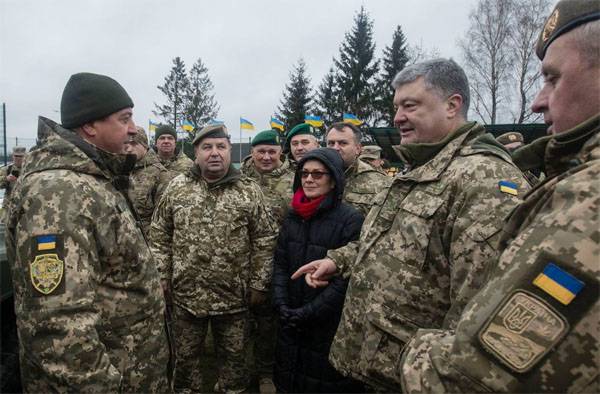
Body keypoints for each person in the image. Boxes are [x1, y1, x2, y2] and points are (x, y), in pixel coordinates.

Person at [292, 58, 530, 391]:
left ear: (452, 105)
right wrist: (338, 260)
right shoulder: (417, 170)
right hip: (375, 364)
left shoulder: (483, 179)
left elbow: (479, 308)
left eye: (410, 105)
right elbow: (384, 242)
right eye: (396, 107)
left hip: (417, 377)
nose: (398, 117)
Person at [399, 2, 600, 392]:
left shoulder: (579, 199)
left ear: (452, 105)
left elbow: (476, 374)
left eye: (553, 79)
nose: (538, 101)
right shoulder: (417, 171)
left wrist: (407, 347)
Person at [5, 72, 169, 392]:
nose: (134, 129)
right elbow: (58, 325)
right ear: (90, 126)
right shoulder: (59, 192)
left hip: (130, 367)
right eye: (124, 119)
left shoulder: (91, 179)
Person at [150, 124, 278, 393]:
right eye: (207, 147)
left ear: (230, 150)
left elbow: (265, 239)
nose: (214, 153)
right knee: (185, 362)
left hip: (234, 298)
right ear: (196, 152)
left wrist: (258, 284)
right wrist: (162, 277)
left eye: (221, 146)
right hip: (186, 296)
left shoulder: (248, 190)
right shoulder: (177, 188)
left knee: (235, 362)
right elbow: (160, 235)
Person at [272, 148, 364, 393]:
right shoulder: (292, 216)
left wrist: (310, 312)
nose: (309, 179)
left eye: (317, 174)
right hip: (290, 317)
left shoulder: (350, 220)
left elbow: (347, 279)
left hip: (326, 324)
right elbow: (280, 264)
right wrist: (281, 304)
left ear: (333, 179)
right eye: (304, 174)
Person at [240, 129, 293, 393]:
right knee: (239, 322)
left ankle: (264, 373)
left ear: (280, 152)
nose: (266, 156)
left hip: (276, 263)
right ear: (252, 152)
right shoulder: (238, 178)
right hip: (240, 263)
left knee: (268, 324)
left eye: (272, 151)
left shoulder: (294, 180)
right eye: (261, 151)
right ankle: (237, 372)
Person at [326, 122, 391, 216]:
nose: (335, 148)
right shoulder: (314, 176)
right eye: (331, 143)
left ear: (358, 149)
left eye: (343, 143)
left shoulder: (380, 183)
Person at [125, 126, 169, 236]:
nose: (129, 148)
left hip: (146, 241)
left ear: (144, 145)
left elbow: (163, 220)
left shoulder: (160, 174)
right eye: (126, 143)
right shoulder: (120, 169)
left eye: (134, 144)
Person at [0, 146, 26, 211]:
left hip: (24, 205)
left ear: (25, 157)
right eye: (16, 156)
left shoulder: (29, 169)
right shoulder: (7, 169)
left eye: (21, 156)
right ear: (13, 156)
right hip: (9, 206)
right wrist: (6, 179)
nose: (18, 158)